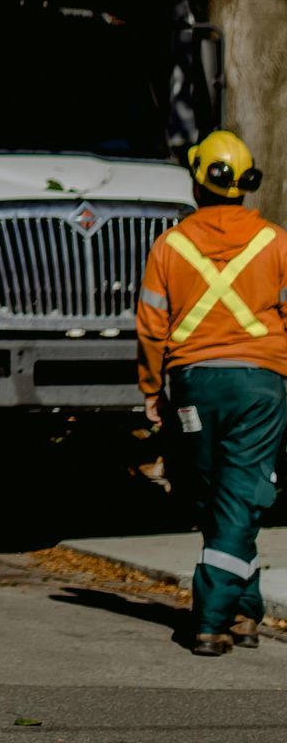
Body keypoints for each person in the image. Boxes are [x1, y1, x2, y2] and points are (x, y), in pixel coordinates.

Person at [137, 130, 287, 654]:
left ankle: (222, 617)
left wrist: (152, 390)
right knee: (237, 495)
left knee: (217, 497)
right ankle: (224, 617)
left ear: (198, 183)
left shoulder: (170, 245)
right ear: (245, 186)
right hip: (260, 386)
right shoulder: (276, 242)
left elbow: (152, 326)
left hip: (193, 386)